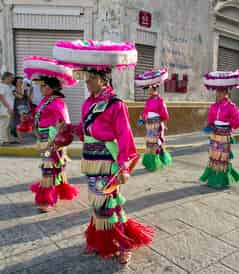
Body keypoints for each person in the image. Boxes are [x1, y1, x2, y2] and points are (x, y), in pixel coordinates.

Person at [53, 40, 154, 265]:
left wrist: (124, 166)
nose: (87, 83)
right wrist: (68, 128)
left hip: (108, 163)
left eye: (89, 78)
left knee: (107, 204)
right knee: (98, 204)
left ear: (102, 77)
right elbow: (86, 131)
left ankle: (123, 243)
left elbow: (125, 137)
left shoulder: (115, 104)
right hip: (91, 162)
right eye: (86, 78)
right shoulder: (89, 102)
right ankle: (101, 239)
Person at [24, 56, 79, 213]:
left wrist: (58, 139)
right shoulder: (46, 100)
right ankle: (59, 190)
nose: (40, 89)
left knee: (49, 167)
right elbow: (39, 115)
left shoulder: (57, 102)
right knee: (52, 166)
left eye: (43, 86)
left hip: (51, 139)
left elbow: (65, 122)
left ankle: (47, 199)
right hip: (44, 137)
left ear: (51, 87)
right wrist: (29, 118)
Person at [200, 70, 239, 189]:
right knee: (214, 157)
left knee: (222, 158)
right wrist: (209, 126)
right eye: (217, 92)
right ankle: (212, 178)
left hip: (225, 136)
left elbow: (236, 123)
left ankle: (222, 179)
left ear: (227, 93)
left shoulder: (232, 107)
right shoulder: (213, 106)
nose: (218, 94)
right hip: (215, 136)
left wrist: (225, 123)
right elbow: (211, 120)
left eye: (221, 92)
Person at [135, 68, 171, 172]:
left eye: (150, 89)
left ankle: (156, 162)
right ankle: (154, 161)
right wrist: (142, 118)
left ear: (154, 88)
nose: (148, 91)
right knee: (150, 143)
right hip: (149, 125)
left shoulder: (160, 100)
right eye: (148, 89)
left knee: (156, 143)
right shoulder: (148, 101)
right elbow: (145, 112)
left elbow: (165, 114)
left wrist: (161, 123)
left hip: (156, 125)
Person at [13, 76, 32, 142]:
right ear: (16, 83)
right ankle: (20, 139)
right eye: (19, 81)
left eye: (22, 81)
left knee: (29, 121)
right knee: (18, 122)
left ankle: (37, 136)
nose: (21, 82)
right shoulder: (14, 90)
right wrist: (24, 90)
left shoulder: (25, 89)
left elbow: (29, 99)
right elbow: (20, 97)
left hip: (26, 107)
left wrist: (30, 91)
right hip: (18, 108)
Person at [0, 72, 15, 145]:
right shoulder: (2, 86)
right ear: (7, 77)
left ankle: (7, 140)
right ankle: (3, 140)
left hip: (8, 109)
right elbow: (1, 97)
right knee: (4, 125)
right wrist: (8, 107)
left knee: (8, 125)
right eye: (11, 77)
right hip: (5, 109)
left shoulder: (7, 86)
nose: (12, 79)